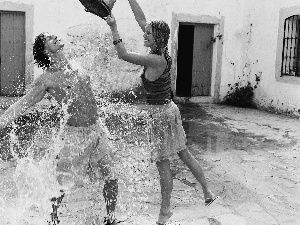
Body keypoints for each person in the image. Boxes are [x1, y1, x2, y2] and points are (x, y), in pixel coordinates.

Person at [104, 0, 219, 224]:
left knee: (163, 162)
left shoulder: (155, 59)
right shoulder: (162, 50)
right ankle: (207, 193)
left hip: (160, 116)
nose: (144, 34)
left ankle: (165, 211)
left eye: (148, 34)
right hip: (169, 110)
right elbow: (141, 19)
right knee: (184, 153)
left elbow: (123, 54)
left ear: (157, 37)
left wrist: (113, 27)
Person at [0, 33, 118, 225]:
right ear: (45, 51)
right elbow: (23, 104)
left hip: (97, 129)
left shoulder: (77, 65)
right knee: (63, 184)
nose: (54, 36)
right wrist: (2, 122)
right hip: (75, 135)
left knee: (111, 175)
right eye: (48, 38)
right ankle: (52, 218)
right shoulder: (46, 79)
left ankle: (111, 218)